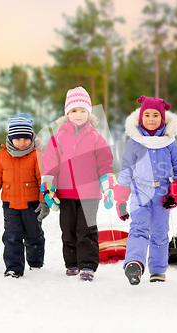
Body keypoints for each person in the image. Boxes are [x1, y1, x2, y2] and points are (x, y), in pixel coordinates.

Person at [41, 87, 114, 281]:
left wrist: (108, 186)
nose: (79, 115)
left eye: (83, 110)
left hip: (89, 193)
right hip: (65, 193)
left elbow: (105, 165)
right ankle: (71, 263)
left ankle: (88, 266)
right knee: (68, 229)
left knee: (87, 230)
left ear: (89, 113)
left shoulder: (96, 138)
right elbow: (50, 167)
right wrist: (49, 190)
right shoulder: (57, 139)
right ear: (67, 114)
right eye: (74, 111)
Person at [114, 96, 177, 285]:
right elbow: (126, 171)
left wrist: (175, 192)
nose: (151, 119)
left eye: (156, 115)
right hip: (140, 192)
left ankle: (157, 269)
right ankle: (134, 264)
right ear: (140, 118)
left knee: (160, 233)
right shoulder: (134, 143)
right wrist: (121, 200)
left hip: (162, 194)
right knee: (138, 229)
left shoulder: (169, 143)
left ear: (162, 119)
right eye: (147, 115)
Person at [0, 113, 49, 278]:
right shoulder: (1, 156)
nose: (22, 142)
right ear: (10, 138)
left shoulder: (37, 155)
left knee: (34, 235)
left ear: (31, 138)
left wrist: (44, 201)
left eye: (26, 138)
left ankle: (35, 263)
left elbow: (44, 180)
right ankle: (14, 268)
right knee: (12, 236)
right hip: (10, 204)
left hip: (32, 204)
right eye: (18, 139)